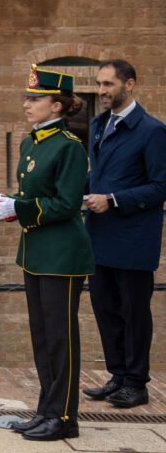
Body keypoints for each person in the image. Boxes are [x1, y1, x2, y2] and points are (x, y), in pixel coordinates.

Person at [0, 65, 94, 441]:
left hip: (63, 255)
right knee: (41, 335)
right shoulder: (31, 142)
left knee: (60, 337)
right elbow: (33, 193)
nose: (26, 104)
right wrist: (11, 203)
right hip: (36, 251)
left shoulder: (69, 146)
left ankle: (65, 417)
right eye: (27, 98)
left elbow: (67, 204)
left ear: (57, 106)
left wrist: (20, 209)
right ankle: (46, 410)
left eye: (34, 99)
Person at [81, 59, 166, 409]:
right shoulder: (98, 124)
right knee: (105, 309)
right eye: (99, 85)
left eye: (108, 85)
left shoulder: (152, 130)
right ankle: (117, 376)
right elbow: (97, 174)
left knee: (134, 313)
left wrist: (113, 200)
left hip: (133, 239)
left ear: (129, 84)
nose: (101, 92)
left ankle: (137, 382)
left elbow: (161, 186)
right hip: (99, 236)